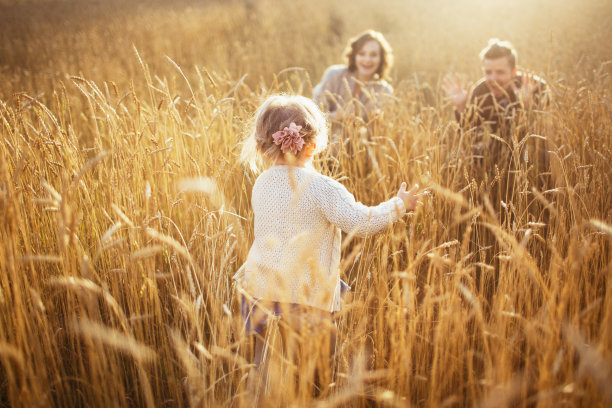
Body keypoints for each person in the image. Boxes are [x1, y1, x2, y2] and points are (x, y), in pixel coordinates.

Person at [236, 94, 422, 400]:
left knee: (264, 367)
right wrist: (398, 205)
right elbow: (361, 222)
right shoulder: (321, 187)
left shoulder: (262, 183)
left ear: (262, 144)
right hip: (307, 296)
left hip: (259, 291)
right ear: (314, 142)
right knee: (321, 375)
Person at [442, 38, 548, 137]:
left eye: (500, 72)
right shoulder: (480, 92)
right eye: (488, 72)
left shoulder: (538, 88)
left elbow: (545, 137)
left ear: (514, 72)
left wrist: (527, 107)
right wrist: (461, 108)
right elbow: (469, 137)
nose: (493, 79)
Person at [313, 30, 394, 145]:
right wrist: (336, 116)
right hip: (321, 145)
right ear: (354, 55)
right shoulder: (334, 75)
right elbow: (311, 118)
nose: (367, 60)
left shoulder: (385, 91)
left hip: (358, 152)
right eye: (362, 53)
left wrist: (376, 125)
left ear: (381, 59)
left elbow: (379, 137)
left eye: (373, 55)